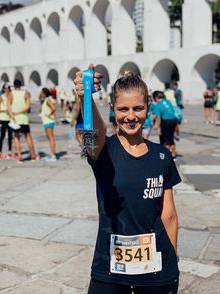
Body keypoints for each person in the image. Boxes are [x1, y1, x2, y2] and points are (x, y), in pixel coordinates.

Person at [74, 66, 181, 294]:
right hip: (109, 270)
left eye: (138, 108)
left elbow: (169, 214)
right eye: (123, 109)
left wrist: (171, 261)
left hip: (157, 272)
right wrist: (85, 98)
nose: (131, 116)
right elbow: (91, 134)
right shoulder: (102, 150)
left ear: (148, 108)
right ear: (112, 109)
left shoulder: (162, 156)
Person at [8, 79, 40, 163]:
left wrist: (13, 115)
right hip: (24, 118)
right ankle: (33, 155)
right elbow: (27, 107)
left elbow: (8, 107)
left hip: (15, 119)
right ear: (21, 85)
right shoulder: (25, 93)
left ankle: (19, 156)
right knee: (27, 136)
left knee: (16, 136)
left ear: (14, 86)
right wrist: (19, 112)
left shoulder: (11, 94)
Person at [155, 91, 178, 160]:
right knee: (171, 138)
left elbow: (158, 118)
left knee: (165, 139)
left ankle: (166, 156)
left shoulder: (158, 105)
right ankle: (174, 155)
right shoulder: (168, 101)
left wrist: (158, 128)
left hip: (165, 121)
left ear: (156, 98)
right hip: (173, 120)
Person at [0, 84, 16, 160]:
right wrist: (4, 110)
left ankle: (10, 152)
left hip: (10, 118)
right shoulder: (1, 97)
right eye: (5, 88)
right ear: (3, 89)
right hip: (3, 118)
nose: (7, 89)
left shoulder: (11, 96)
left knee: (10, 135)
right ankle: (0, 152)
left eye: (8, 88)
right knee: (2, 135)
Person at [40, 88, 57, 162]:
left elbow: (53, 108)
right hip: (47, 121)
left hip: (49, 121)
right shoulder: (46, 100)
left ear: (44, 93)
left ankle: (53, 156)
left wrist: (49, 115)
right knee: (49, 137)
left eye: (41, 92)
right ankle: (52, 154)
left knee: (51, 138)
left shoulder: (47, 100)